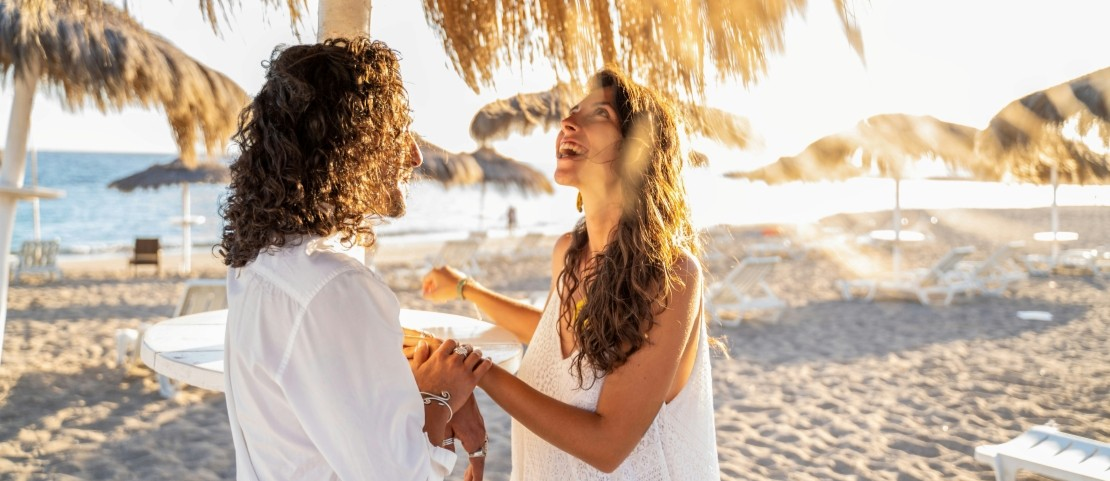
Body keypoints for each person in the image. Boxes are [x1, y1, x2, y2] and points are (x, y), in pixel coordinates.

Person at [422, 68, 719, 480]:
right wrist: (464, 288)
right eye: (572, 112)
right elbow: (551, 333)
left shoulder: (670, 274)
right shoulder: (568, 252)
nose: (567, 122)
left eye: (600, 114)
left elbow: (607, 444)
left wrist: (474, 371)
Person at [218, 38, 492, 481]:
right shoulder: (334, 289)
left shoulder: (258, 262)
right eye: (398, 132)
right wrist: (439, 397)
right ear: (350, 145)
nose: (415, 155)